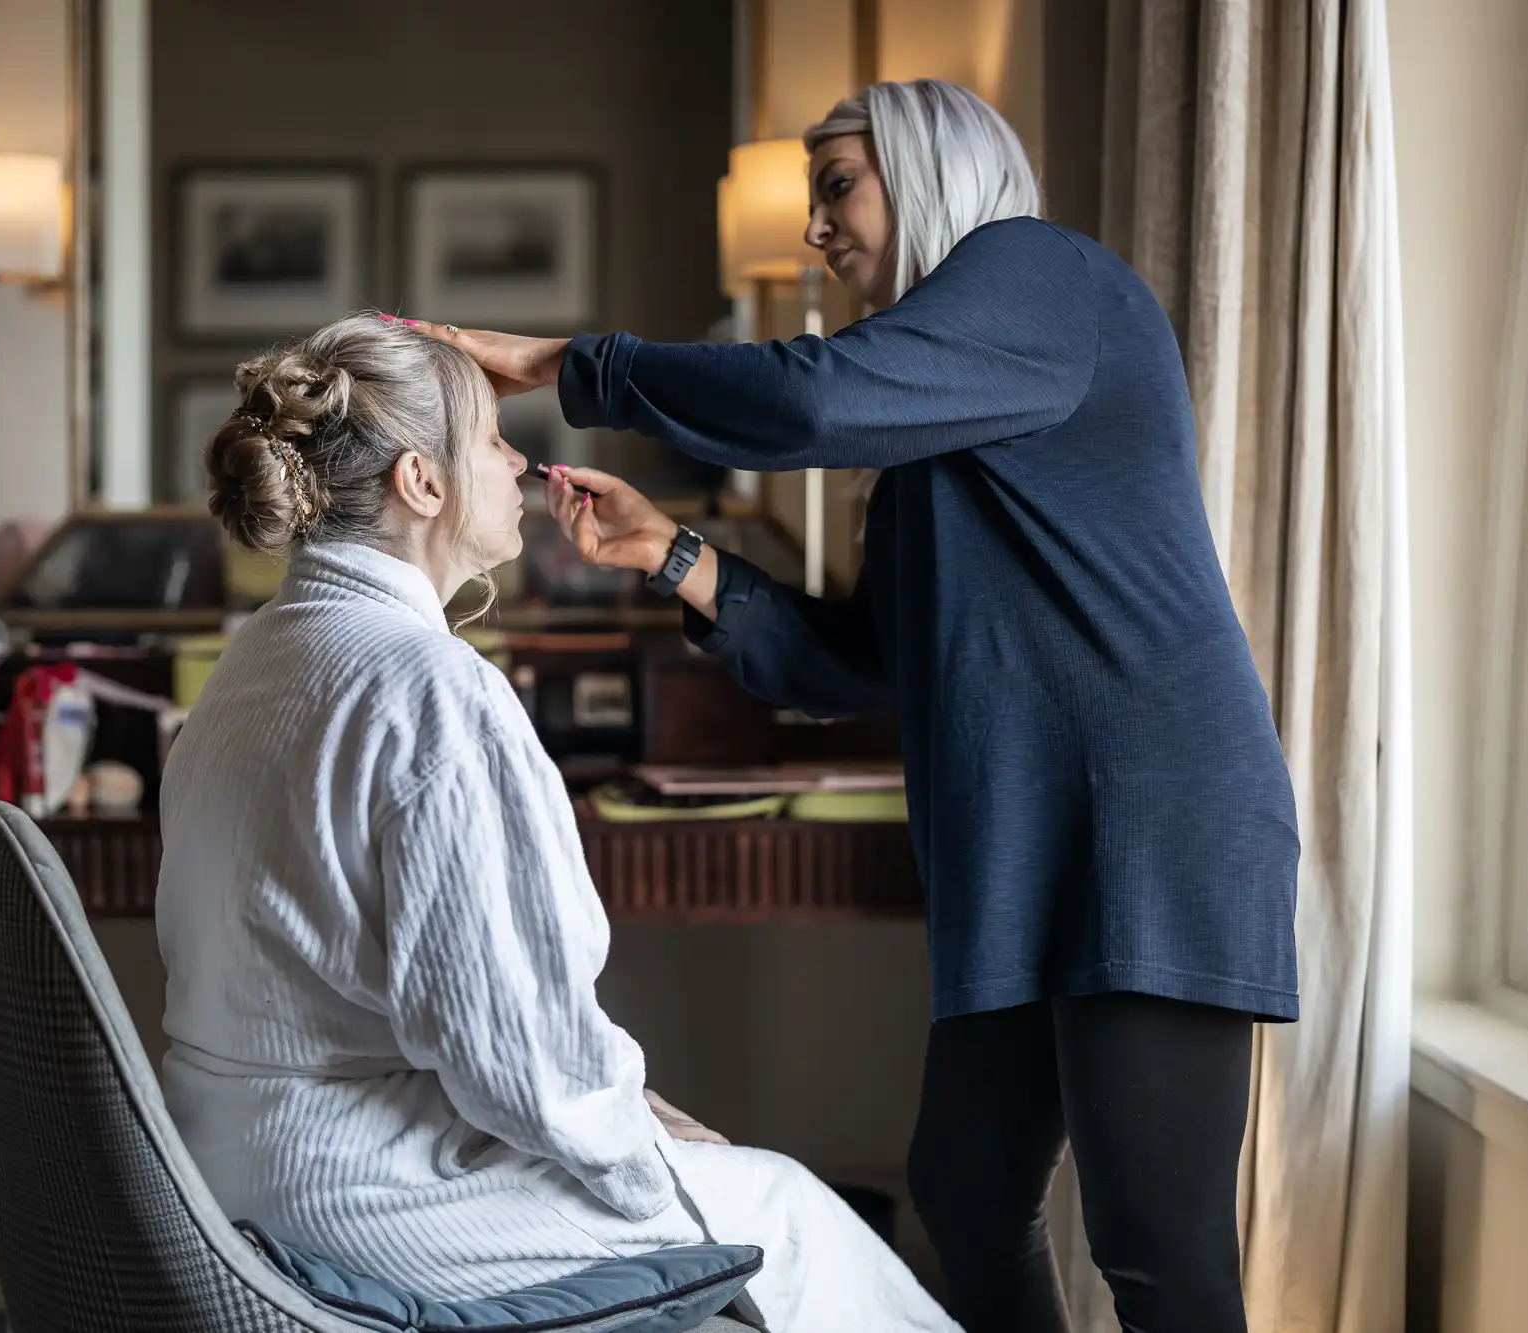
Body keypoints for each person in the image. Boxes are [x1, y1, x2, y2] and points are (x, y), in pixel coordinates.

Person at [416, 79, 1299, 1333]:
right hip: (1025, 853)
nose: (815, 228)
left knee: (1155, 1246)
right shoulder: (939, 427)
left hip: (1152, 825)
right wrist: (673, 554)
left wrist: (570, 363)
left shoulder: (1044, 278)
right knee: (964, 1188)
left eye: (837, 184)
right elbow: (861, 663)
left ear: (934, 167)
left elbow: (807, 402)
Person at [155, 315, 960, 1333]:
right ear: (422, 482)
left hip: (226, 1171)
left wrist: (635, 1111)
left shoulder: (251, 664)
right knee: (790, 1215)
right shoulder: (428, 691)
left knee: (742, 1186)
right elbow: (514, 1056)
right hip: (367, 1199)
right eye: (491, 437)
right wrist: (646, 1160)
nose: (519, 461)